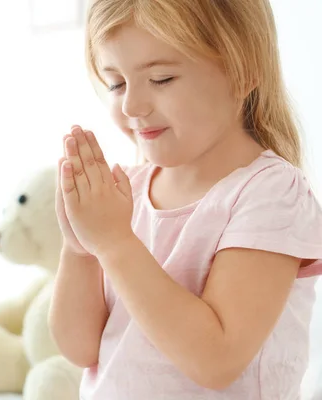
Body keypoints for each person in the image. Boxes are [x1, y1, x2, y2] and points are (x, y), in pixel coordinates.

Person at [48, 0, 322, 398]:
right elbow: (80, 348)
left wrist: (114, 243)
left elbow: (217, 360)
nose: (131, 105)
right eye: (116, 83)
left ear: (243, 72)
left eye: (161, 79)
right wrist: (80, 248)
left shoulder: (270, 194)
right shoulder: (131, 191)